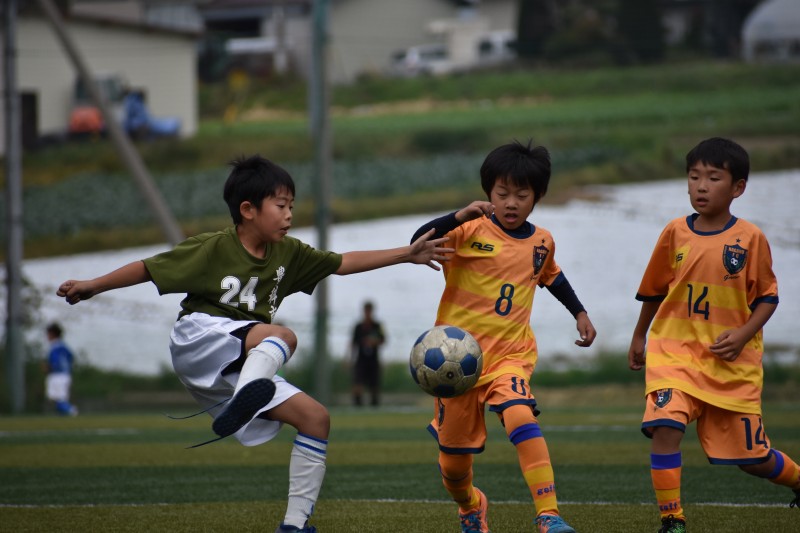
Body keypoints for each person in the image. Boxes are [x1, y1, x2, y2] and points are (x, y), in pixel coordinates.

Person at [56, 155, 452, 533]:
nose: (289, 214)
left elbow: (343, 262)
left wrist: (407, 254)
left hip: (244, 359)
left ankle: (294, 524)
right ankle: (247, 395)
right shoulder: (213, 247)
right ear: (248, 210)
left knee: (316, 418)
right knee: (282, 335)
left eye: (292, 205)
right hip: (199, 338)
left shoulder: (290, 253)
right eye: (280, 205)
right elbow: (148, 268)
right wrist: (93, 285)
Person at [410, 140, 597, 533]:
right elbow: (418, 241)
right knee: (453, 465)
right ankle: (471, 505)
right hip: (456, 367)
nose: (511, 203)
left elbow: (553, 277)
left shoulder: (541, 241)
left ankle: (549, 515)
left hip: (510, 358)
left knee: (519, 415)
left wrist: (579, 312)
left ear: (537, 196)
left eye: (522, 195)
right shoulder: (467, 230)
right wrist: (458, 215)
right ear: (488, 193)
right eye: (502, 194)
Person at [627, 137, 800, 533]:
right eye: (694, 177)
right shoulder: (674, 232)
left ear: (737, 188)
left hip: (729, 364)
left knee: (751, 458)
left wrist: (742, 335)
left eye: (713, 178)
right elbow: (653, 290)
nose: (701, 186)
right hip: (673, 353)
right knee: (665, 426)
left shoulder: (750, 238)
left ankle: (797, 479)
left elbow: (769, 298)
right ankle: (673, 520)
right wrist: (639, 336)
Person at [350, 301, 385, 407]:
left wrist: (373, 342)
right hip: (361, 359)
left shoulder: (377, 326)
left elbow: (383, 340)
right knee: (358, 382)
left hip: (373, 359)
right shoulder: (358, 326)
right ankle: (357, 404)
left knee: (374, 384)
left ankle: (374, 404)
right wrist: (350, 358)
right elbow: (353, 343)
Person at [44, 322, 79, 416]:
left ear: (53, 334)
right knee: (57, 400)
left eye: (48, 334)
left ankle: (72, 411)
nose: (47, 336)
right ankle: (67, 415)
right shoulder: (63, 346)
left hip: (58, 376)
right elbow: (71, 357)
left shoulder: (55, 347)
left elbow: (55, 362)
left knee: (59, 401)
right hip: (65, 375)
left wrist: (49, 367)